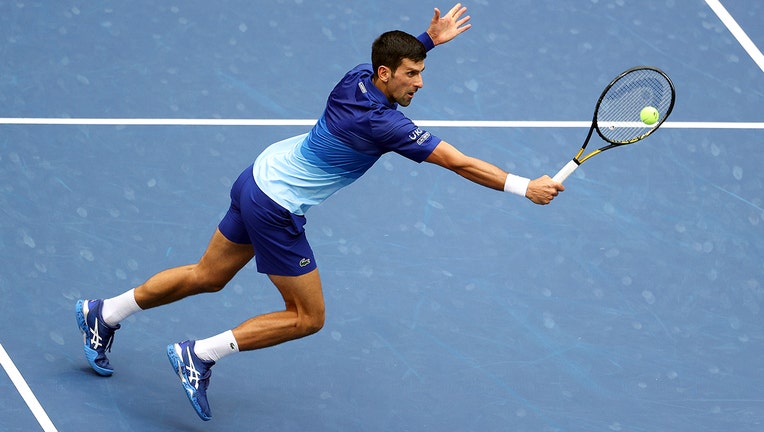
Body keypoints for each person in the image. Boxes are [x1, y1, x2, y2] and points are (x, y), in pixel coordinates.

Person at [75, 3, 564, 421]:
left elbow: (395, 57)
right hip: (276, 207)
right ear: (386, 75)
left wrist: (427, 41)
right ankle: (198, 354)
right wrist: (526, 187)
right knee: (308, 318)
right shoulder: (385, 125)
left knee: (208, 274)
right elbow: (458, 163)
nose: (420, 83)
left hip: (257, 177)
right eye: (411, 74)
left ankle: (104, 312)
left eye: (422, 72)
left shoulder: (356, 78)